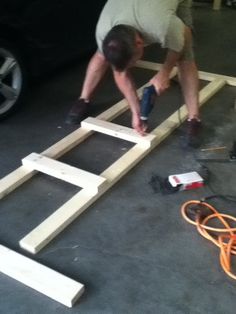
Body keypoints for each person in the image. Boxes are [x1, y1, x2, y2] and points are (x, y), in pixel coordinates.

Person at [65, 0, 201, 147]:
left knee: (185, 56)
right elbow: (120, 73)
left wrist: (165, 72)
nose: (134, 65)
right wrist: (136, 112)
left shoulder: (162, 25)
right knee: (101, 55)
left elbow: (182, 36)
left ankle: (194, 118)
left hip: (156, 12)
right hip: (131, 9)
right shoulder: (104, 31)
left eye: (133, 61)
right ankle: (83, 99)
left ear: (139, 43)